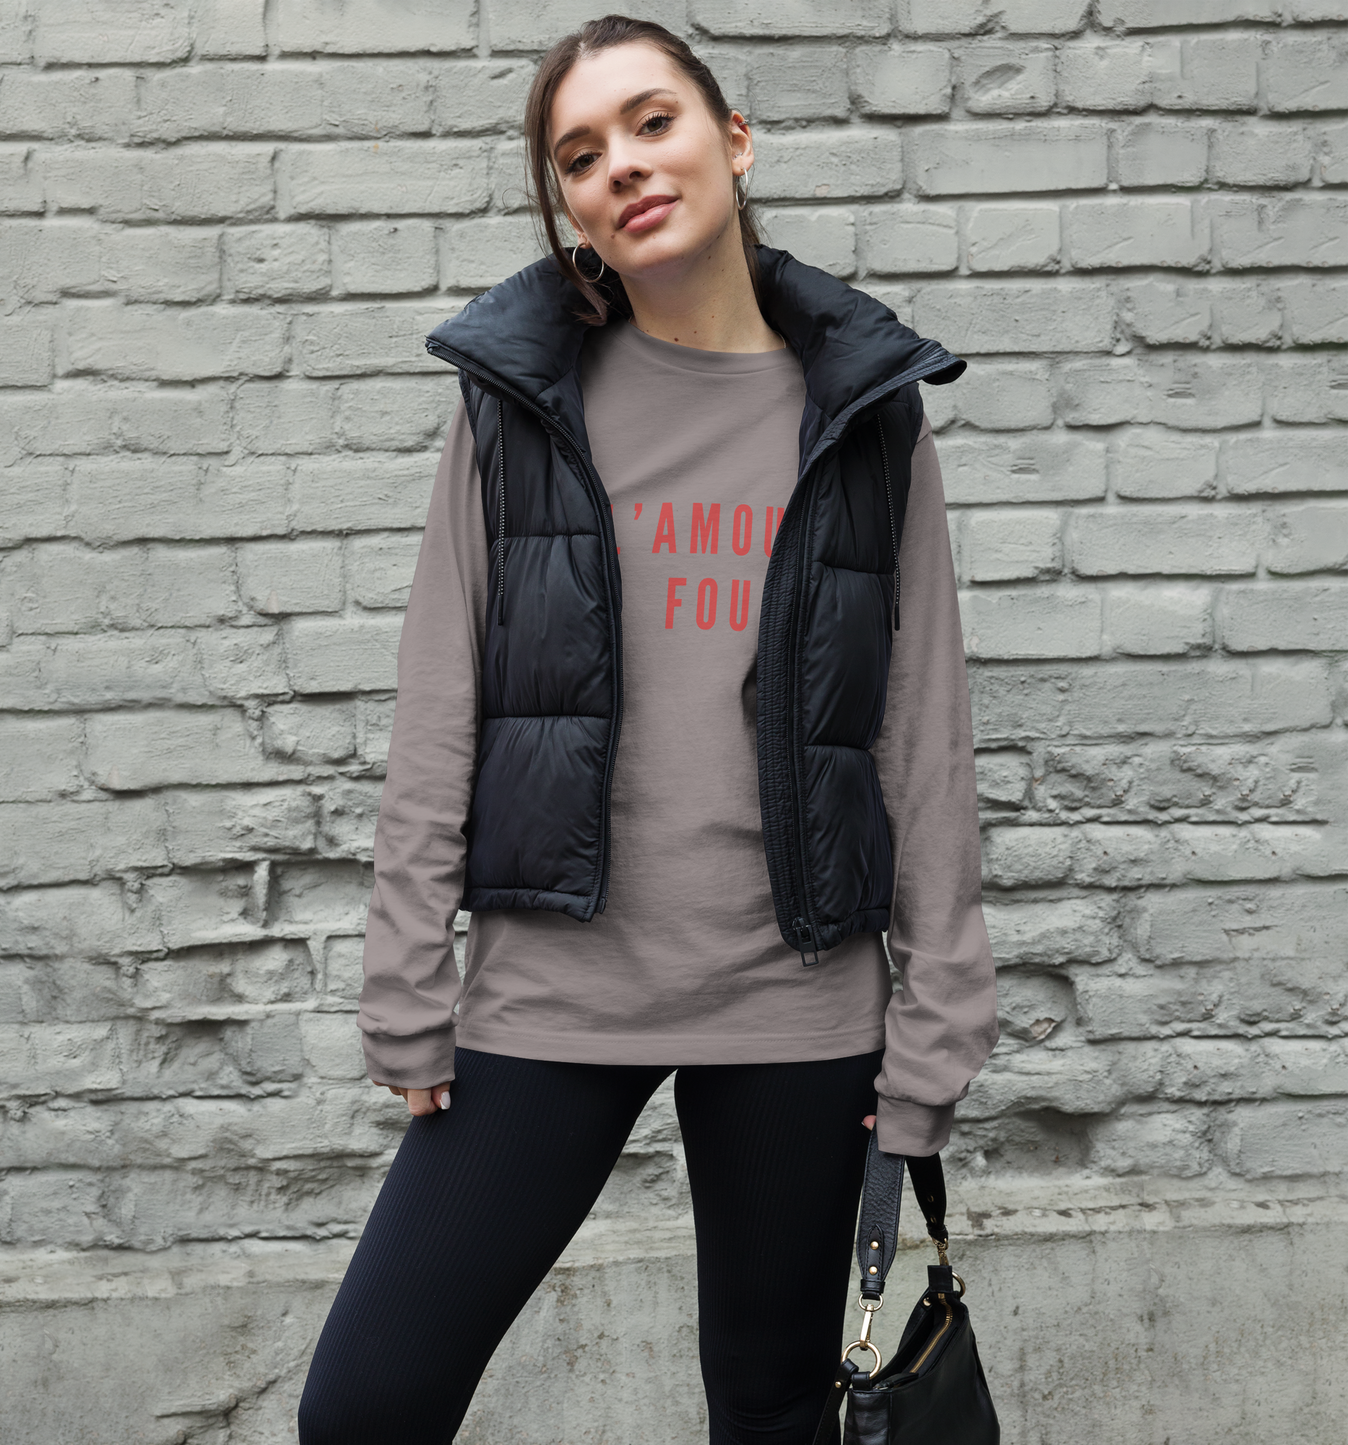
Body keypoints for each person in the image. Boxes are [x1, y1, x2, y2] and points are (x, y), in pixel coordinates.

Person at [297, 15, 998, 1444]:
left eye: (652, 122)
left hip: (798, 998)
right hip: (556, 988)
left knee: (772, 1409)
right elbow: (441, 700)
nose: (620, 164)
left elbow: (921, 736)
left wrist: (938, 1026)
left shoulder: (865, 415)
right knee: (366, 1407)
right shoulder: (518, 405)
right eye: (579, 155)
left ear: (734, 142)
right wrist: (404, 973)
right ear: (568, 206)